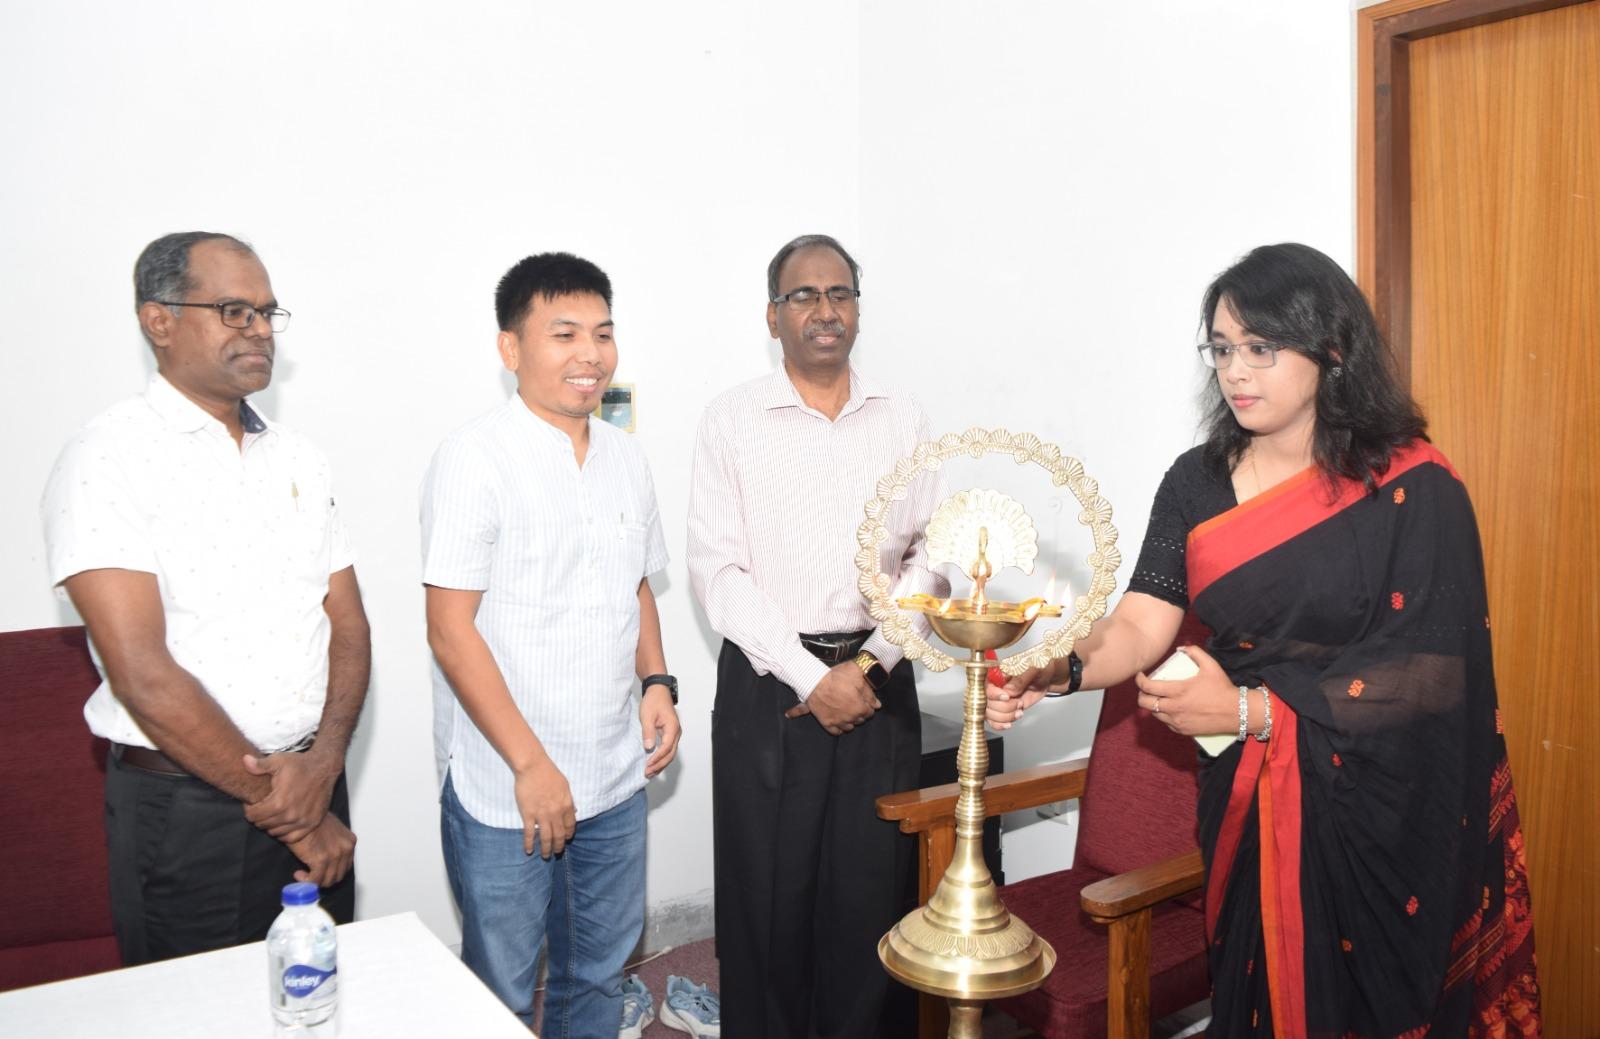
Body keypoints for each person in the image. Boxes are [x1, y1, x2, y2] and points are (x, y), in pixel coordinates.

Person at [988, 243, 1541, 1036]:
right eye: (1221, 349)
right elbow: (1142, 620)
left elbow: (1432, 675)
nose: (1236, 372)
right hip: (1247, 797)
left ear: (1332, 349)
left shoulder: (1411, 484)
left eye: (1261, 348)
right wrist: (1062, 666)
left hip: (1380, 809)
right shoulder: (1197, 480)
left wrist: (1252, 710)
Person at [41, 231, 367, 964]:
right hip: (191, 813)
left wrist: (320, 770)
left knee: (319, 996)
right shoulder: (106, 457)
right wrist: (289, 810)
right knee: (199, 1010)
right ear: (159, 321)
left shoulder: (299, 457)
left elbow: (348, 625)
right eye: (233, 310)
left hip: (317, 784)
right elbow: (143, 674)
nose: (260, 330)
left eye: (267, 313)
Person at [687, 233, 948, 1038]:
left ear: (858, 311)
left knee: (871, 891)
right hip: (771, 686)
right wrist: (812, 677)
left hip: (879, 680)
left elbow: (933, 555)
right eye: (804, 295)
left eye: (840, 293)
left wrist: (871, 664)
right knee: (768, 896)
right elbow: (717, 572)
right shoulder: (732, 418)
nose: (824, 309)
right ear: (773, 316)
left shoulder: (903, 416)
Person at [420, 252, 681, 1036]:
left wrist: (658, 681)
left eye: (602, 333)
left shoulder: (625, 456)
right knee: (499, 992)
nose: (589, 353)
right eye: (564, 334)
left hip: (612, 770)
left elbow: (636, 584)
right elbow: (449, 629)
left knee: (597, 976)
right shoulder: (474, 458)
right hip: (507, 784)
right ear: (511, 348)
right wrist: (530, 766)